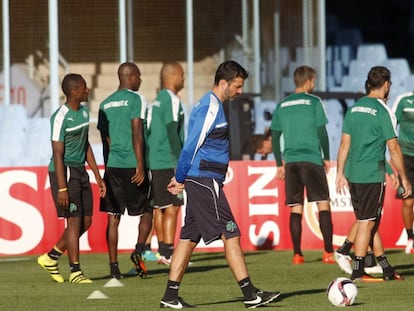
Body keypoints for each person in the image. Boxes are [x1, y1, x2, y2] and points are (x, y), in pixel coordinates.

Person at [160, 60, 280, 309]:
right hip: (204, 180)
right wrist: (180, 177)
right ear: (224, 82)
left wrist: (184, 177)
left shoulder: (212, 105)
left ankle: (170, 297)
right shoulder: (210, 107)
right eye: (237, 86)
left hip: (202, 179)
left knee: (188, 238)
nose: (239, 91)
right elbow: (191, 145)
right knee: (231, 233)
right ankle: (250, 294)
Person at [336, 66, 411, 281]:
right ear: (386, 85)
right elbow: (394, 148)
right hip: (371, 174)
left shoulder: (354, 108)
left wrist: (340, 173)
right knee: (367, 222)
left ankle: (386, 269)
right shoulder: (383, 110)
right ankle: (358, 270)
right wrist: (404, 178)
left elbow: (344, 145)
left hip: (353, 173)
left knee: (369, 220)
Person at [38, 73, 106, 283]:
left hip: (80, 171)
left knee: (86, 221)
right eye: (84, 88)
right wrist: (62, 189)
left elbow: (85, 145)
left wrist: (97, 175)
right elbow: (58, 154)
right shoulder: (59, 117)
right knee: (74, 222)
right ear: (74, 91)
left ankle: (51, 258)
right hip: (64, 172)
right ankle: (75, 271)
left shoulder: (84, 113)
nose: (88, 90)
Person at [270, 65, 335, 265]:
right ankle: (328, 252)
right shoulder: (314, 102)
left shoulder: (282, 104)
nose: (314, 84)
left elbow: (274, 136)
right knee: (323, 203)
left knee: (295, 208)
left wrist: (279, 163)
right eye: (313, 81)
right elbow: (322, 131)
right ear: (308, 82)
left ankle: (297, 254)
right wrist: (326, 156)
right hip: (312, 158)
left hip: (291, 162)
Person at [97, 62, 153, 279]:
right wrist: (140, 164)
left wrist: (106, 171)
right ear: (131, 76)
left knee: (113, 217)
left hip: (113, 167)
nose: (140, 80)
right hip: (133, 164)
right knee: (148, 209)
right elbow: (137, 131)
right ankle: (139, 250)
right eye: (139, 76)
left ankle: (113, 268)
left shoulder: (105, 104)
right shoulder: (137, 99)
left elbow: (105, 140)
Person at [146, 62, 185, 265]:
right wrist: (182, 163)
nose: (184, 78)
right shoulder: (172, 99)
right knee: (173, 207)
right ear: (175, 75)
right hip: (169, 160)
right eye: (183, 74)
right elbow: (173, 133)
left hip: (155, 160)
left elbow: (149, 130)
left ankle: (163, 252)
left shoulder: (156, 101)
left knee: (160, 207)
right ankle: (169, 254)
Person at [392, 91, 414, 254]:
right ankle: (410, 238)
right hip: (406, 157)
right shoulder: (403, 100)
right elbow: (391, 125)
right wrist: (392, 155)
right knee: (408, 201)